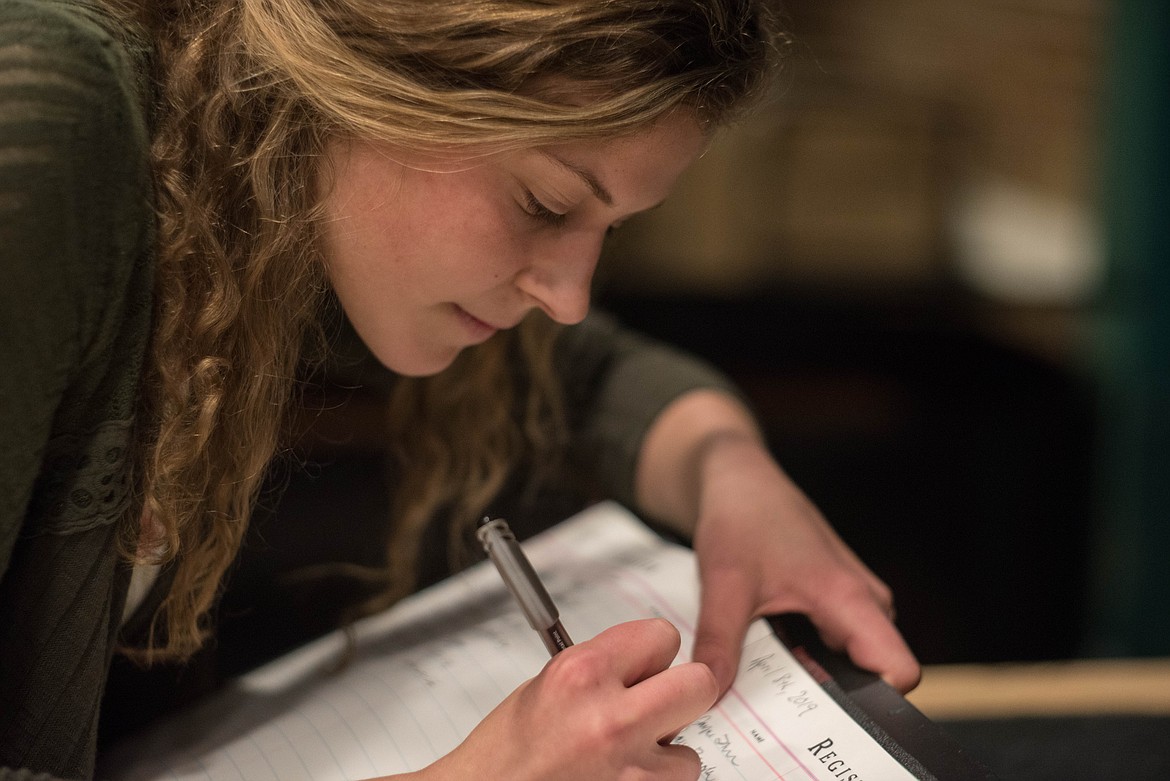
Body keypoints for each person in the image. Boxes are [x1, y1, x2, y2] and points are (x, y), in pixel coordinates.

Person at [0, 0, 920, 778]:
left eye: (612, 228)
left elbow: (589, 373)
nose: (567, 297)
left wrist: (733, 475)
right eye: (547, 205)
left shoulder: (253, 192)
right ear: (384, 79)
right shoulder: (42, 116)